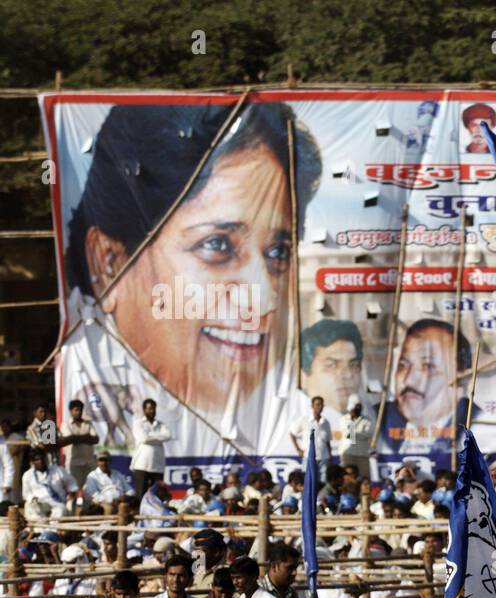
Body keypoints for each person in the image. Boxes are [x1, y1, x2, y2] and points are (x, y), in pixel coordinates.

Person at [65, 103, 322, 450]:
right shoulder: (96, 398)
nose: (263, 299)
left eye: (279, 252)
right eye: (217, 245)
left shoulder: (295, 414)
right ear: (108, 263)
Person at [381, 319, 474, 457]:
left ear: (462, 378)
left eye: (427, 366)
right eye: (403, 364)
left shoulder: (476, 425)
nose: (408, 380)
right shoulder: (380, 419)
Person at [300, 319, 363, 418]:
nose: (348, 375)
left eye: (353, 365)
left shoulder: (372, 419)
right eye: (331, 365)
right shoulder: (294, 422)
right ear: (302, 377)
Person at [128, 398, 170, 498]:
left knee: (157, 495)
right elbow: (143, 438)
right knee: (140, 494)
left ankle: (155, 513)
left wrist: (150, 436)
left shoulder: (161, 424)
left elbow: (168, 435)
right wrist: (159, 437)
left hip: (157, 465)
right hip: (142, 465)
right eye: (149, 408)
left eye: (153, 408)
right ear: (144, 410)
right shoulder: (138, 423)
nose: (152, 411)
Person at [21, 447, 77, 519]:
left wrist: (72, 493)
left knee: (60, 512)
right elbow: (26, 494)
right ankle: (41, 529)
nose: (40, 461)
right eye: (37, 459)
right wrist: (32, 498)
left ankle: (52, 529)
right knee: (34, 513)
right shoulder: (27, 475)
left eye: (42, 458)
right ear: (32, 462)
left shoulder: (58, 470)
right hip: (39, 504)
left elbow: (71, 483)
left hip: (57, 503)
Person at [61, 399, 99, 488]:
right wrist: (86, 437)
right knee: (73, 490)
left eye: (80, 410)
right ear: (71, 411)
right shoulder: (66, 424)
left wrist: (76, 438)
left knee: (90, 492)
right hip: (74, 464)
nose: (79, 412)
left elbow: (95, 439)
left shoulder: (88, 423)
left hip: (89, 463)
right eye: (76, 410)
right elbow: (71, 439)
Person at [293, 395, 333, 479]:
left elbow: (327, 441)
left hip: (323, 458)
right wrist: (298, 449)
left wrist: (330, 454)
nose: (320, 407)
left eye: (321, 405)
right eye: (317, 404)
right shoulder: (304, 420)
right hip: (309, 457)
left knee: (322, 483)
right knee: (308, 481)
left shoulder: (326, 422)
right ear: (312, 406)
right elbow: (292, 433)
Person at [338, 394, 373, 479]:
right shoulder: (343, 419)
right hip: (347, 454)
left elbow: (368, 434)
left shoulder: (367, 420)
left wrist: (354, 433)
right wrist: (359, 433)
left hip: (362, 454)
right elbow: (348, 435)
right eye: (356, 406)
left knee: (364, 478)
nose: (358, 408)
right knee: (347, 478)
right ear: (350, 407)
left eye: (359, 406)